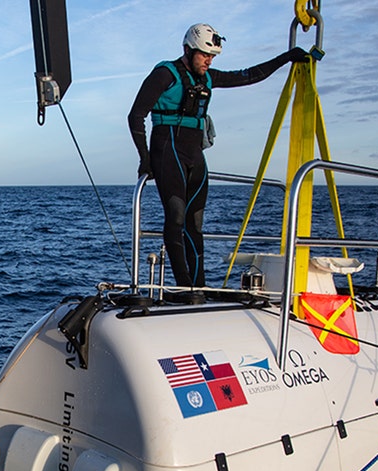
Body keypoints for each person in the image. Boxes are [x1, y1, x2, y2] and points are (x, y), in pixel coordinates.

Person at [129, 23, 308, 295]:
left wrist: (287, 57)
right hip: (167, 149)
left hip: (194, 154)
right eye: (204, 55)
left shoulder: (208, 78)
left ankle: (198, 287)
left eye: (212, 56)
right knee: (175, 218)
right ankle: (181, 289)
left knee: (195, 224)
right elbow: (136, 115)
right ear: (188, 50)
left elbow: (248, 76)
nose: (208, 60)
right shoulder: (165, 74)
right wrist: (145, 158)